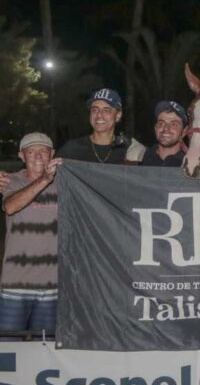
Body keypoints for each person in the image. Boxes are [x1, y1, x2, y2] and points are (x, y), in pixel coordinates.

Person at [0, 133, 62, 338]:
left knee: (44, 353)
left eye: (43, 151)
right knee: (7, 353)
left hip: (51, 288)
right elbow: (10, 207)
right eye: (31, 152)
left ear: (52, 154)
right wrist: (45, 179)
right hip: (14, 286)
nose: (37, 156)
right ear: (21, 156)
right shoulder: (10, 181)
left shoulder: (66, 184)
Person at [57, 88, 146, 164]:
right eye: (95, 110)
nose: (99, 115)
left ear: (118, 116)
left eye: (106, 110)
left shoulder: (129, 149)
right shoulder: (72, 149)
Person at [140, 101, 188, 167]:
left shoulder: (189, 165)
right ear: (155, 128)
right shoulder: (141, 159)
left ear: (184, 131)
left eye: (174, 124)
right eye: (161, 123)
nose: (166, 128)